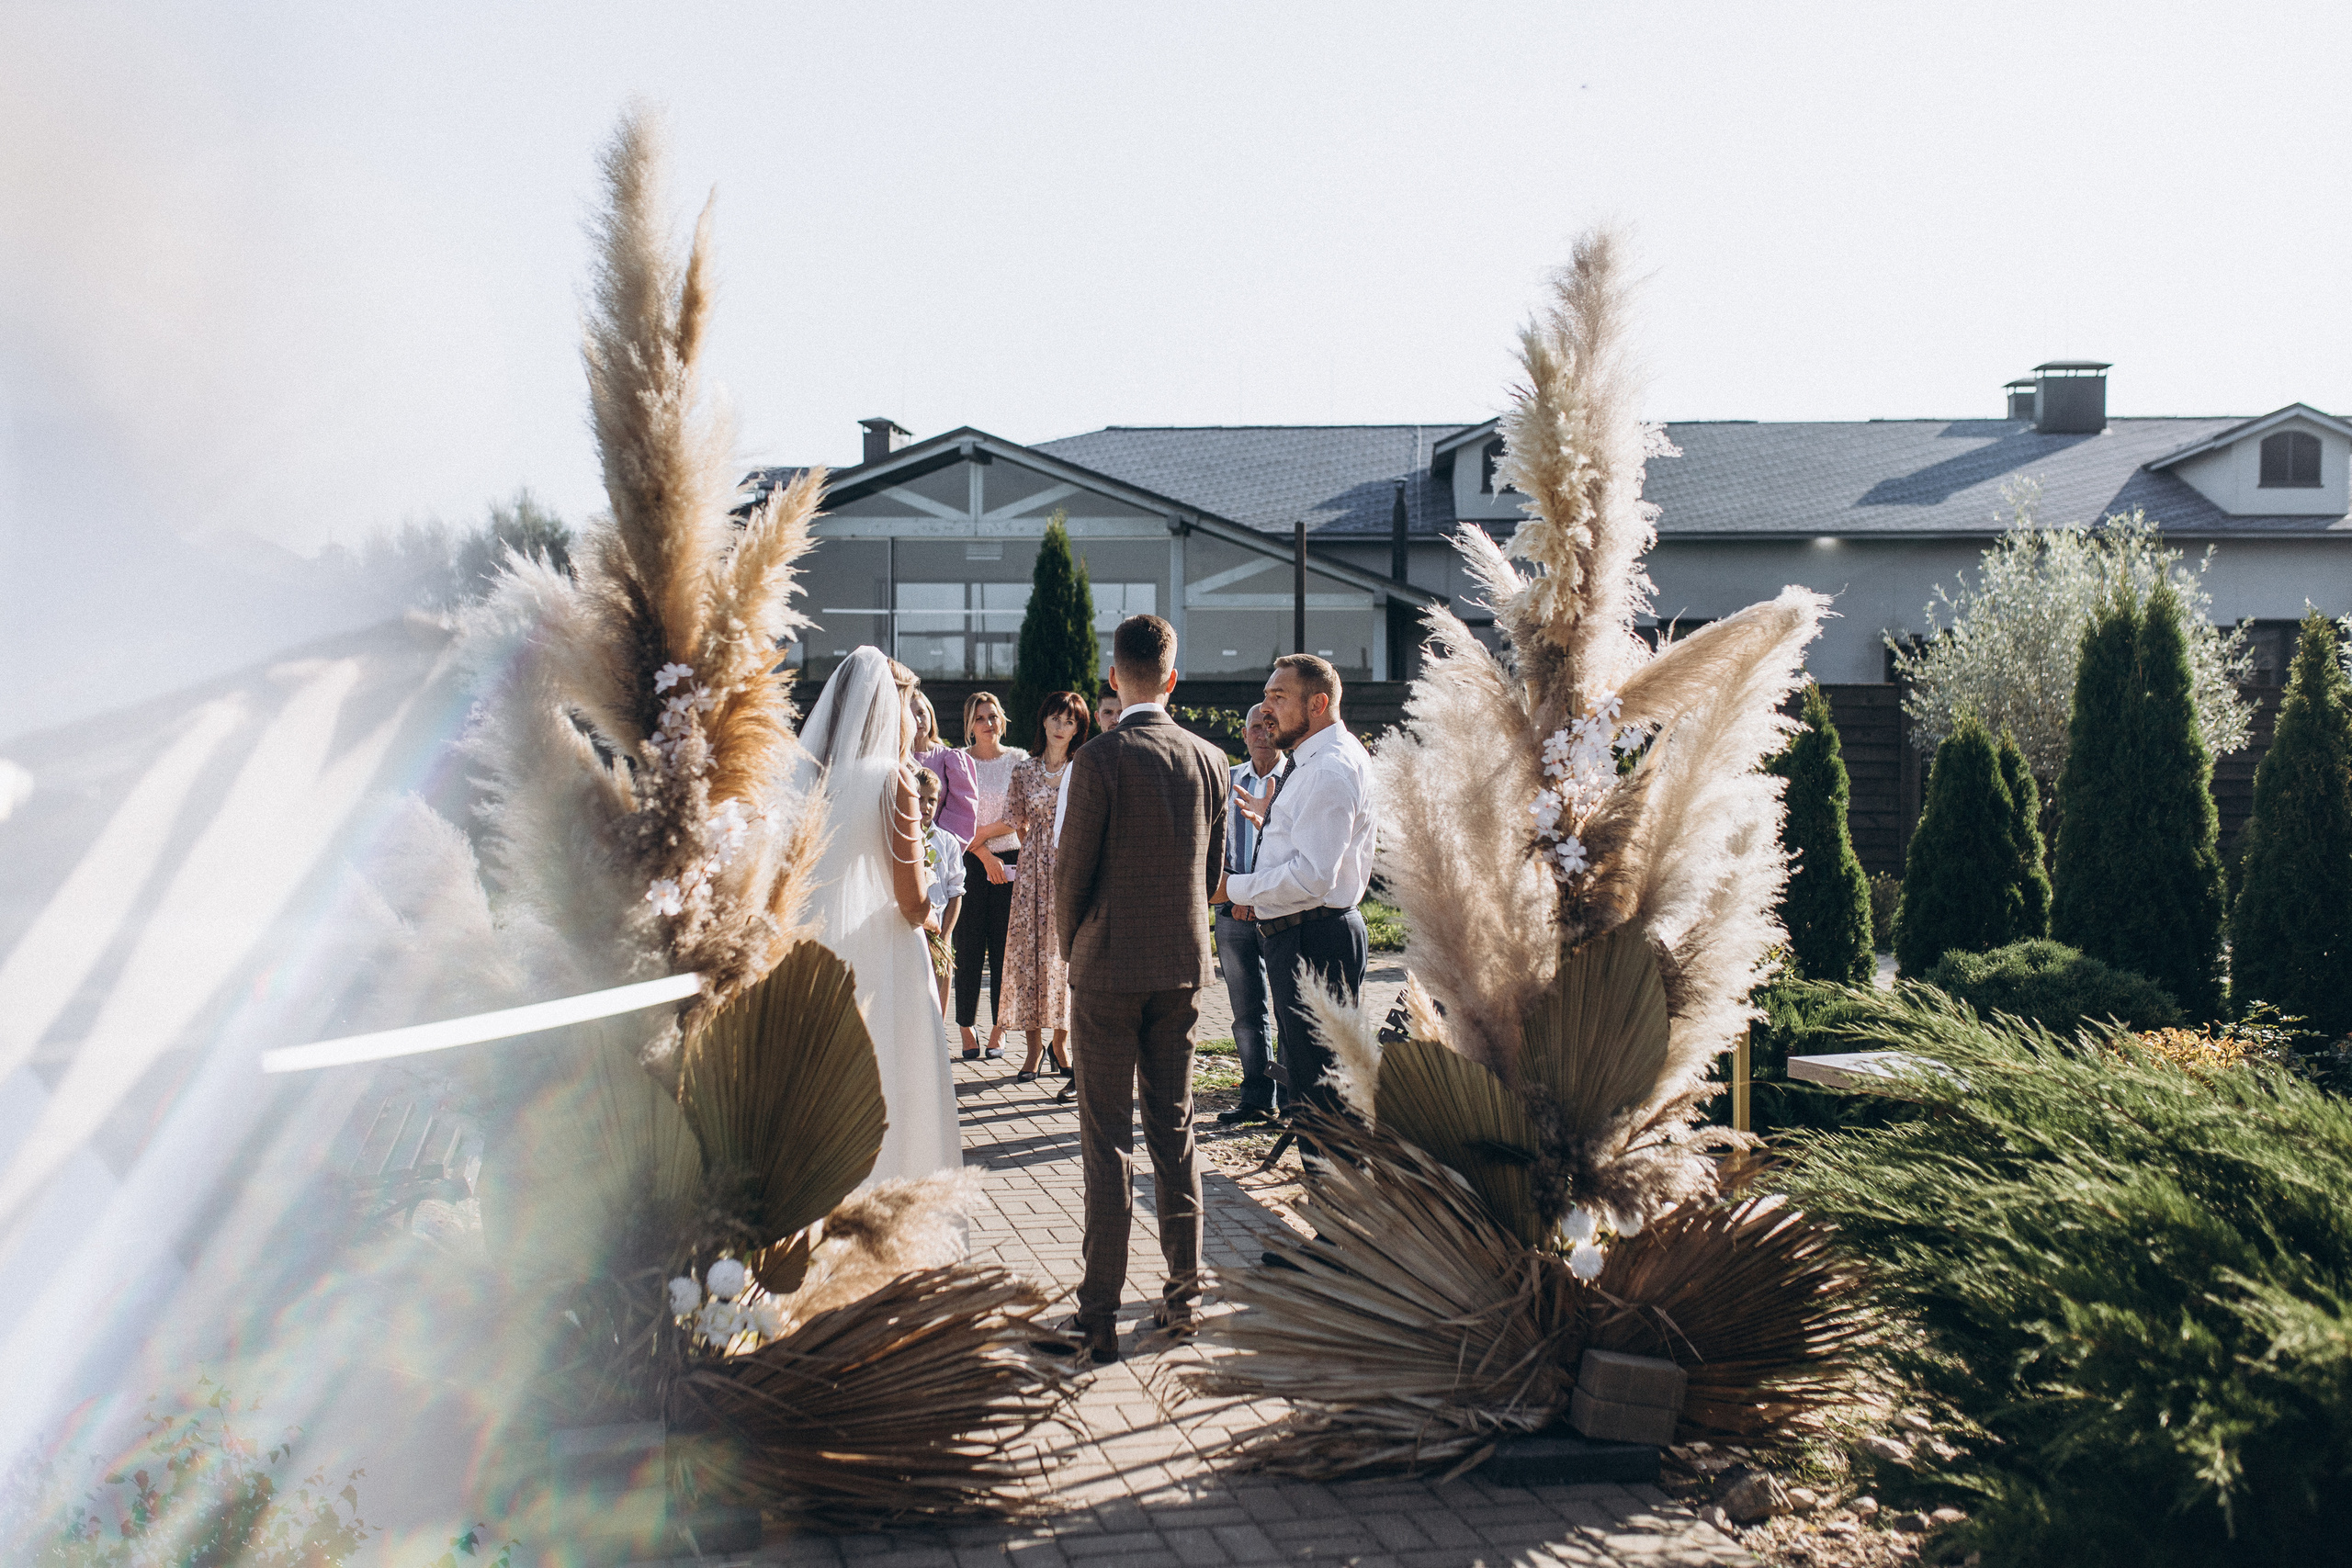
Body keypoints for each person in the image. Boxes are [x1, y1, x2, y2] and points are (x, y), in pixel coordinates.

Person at [1054, 614, 1228, 1364]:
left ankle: (1097, 1313)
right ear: (1173, 677)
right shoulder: (1210, 759)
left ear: (1113, 680)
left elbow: (1070, 874)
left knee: (1106, 1140)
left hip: (1107, 967)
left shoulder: (1097, 759)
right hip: (1182, 966)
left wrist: (1072, 948)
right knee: (1174, 1126)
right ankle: (1186, 1295)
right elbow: (1214, 874)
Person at [792, 648, 961, 1181]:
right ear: (889, 709)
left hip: (823, 948)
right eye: (909, 704)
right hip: (886, 955)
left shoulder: (812, 778)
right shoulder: (894, 781)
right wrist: (933, 909)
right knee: (894, 1078)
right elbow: (911, 902)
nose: (913, 719)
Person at [1222, 653, 1375, 1132]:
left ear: (1318, 704)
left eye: (1278, 697)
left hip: (1315, 939)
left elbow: (1314, 878)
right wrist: (1275, 824)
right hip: (1306, 934)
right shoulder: (1316, 761)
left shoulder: (1328, 768)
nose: (1265, 709)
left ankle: (1331, 1196)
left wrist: (1233, 888)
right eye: (1266, 696)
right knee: (1313, 1087)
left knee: (1323, 1097)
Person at [993, 693, 1088, 1082]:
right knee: (1030, 956)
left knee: (1065, 957)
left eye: (1068, 720)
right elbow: (1016, 819)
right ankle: (1032, 1051)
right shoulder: (1024, 769)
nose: (1060, 726)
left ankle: (1061, 1046)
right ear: (1044, 721)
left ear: (1078, 728)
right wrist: (1035, 846)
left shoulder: (1082, 767)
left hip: (1070, 867)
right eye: (1054, 717)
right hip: (1032, 870)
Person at [1208, 704, 1290, 1125]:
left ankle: (1295, 1100)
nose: (1262, 732)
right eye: (1254, 726)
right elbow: (1212, 843)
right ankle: (1258, 1098)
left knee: (1288, 1007)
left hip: (1280, 909)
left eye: (1269, 725)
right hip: (1230, 908)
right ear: (1243, 734)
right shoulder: (1227, 781)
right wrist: (1233, 892)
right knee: (1245, 1012)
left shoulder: (1294, 779)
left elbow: (1295, 850)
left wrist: (1255, 897)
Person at [953, 692, 1027, 1061]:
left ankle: (1000, 1028)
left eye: (993, 716)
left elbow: (1021, 814)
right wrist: (982, 853)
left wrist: (985, 836)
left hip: (1010, 861)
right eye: (980, 718)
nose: (988, 724)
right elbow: (950, 818)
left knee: (1003, 948)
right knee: (967, 947)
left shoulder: (1018, 760)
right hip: (969, 862)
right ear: (970, 725)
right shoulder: (958, 761)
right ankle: (966, 1026)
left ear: (1003, 719)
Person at [917, 767, 965, 1019]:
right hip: (910, 930)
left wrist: (945, 936)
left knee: (942, 972)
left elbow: (956, 892)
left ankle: (940, 1036)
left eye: (932, 800)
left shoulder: (947, 842)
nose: (926, 806)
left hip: (938, 927)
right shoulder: (902, 839)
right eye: (919, 798)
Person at [912, 690, 979, 843]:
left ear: (930, 714)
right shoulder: (896, 759)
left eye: (921, 713)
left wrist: (933, 847)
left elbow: (963, 814)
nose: (917, 720)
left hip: (938, 849)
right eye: (910, 715)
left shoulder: (951, 759)